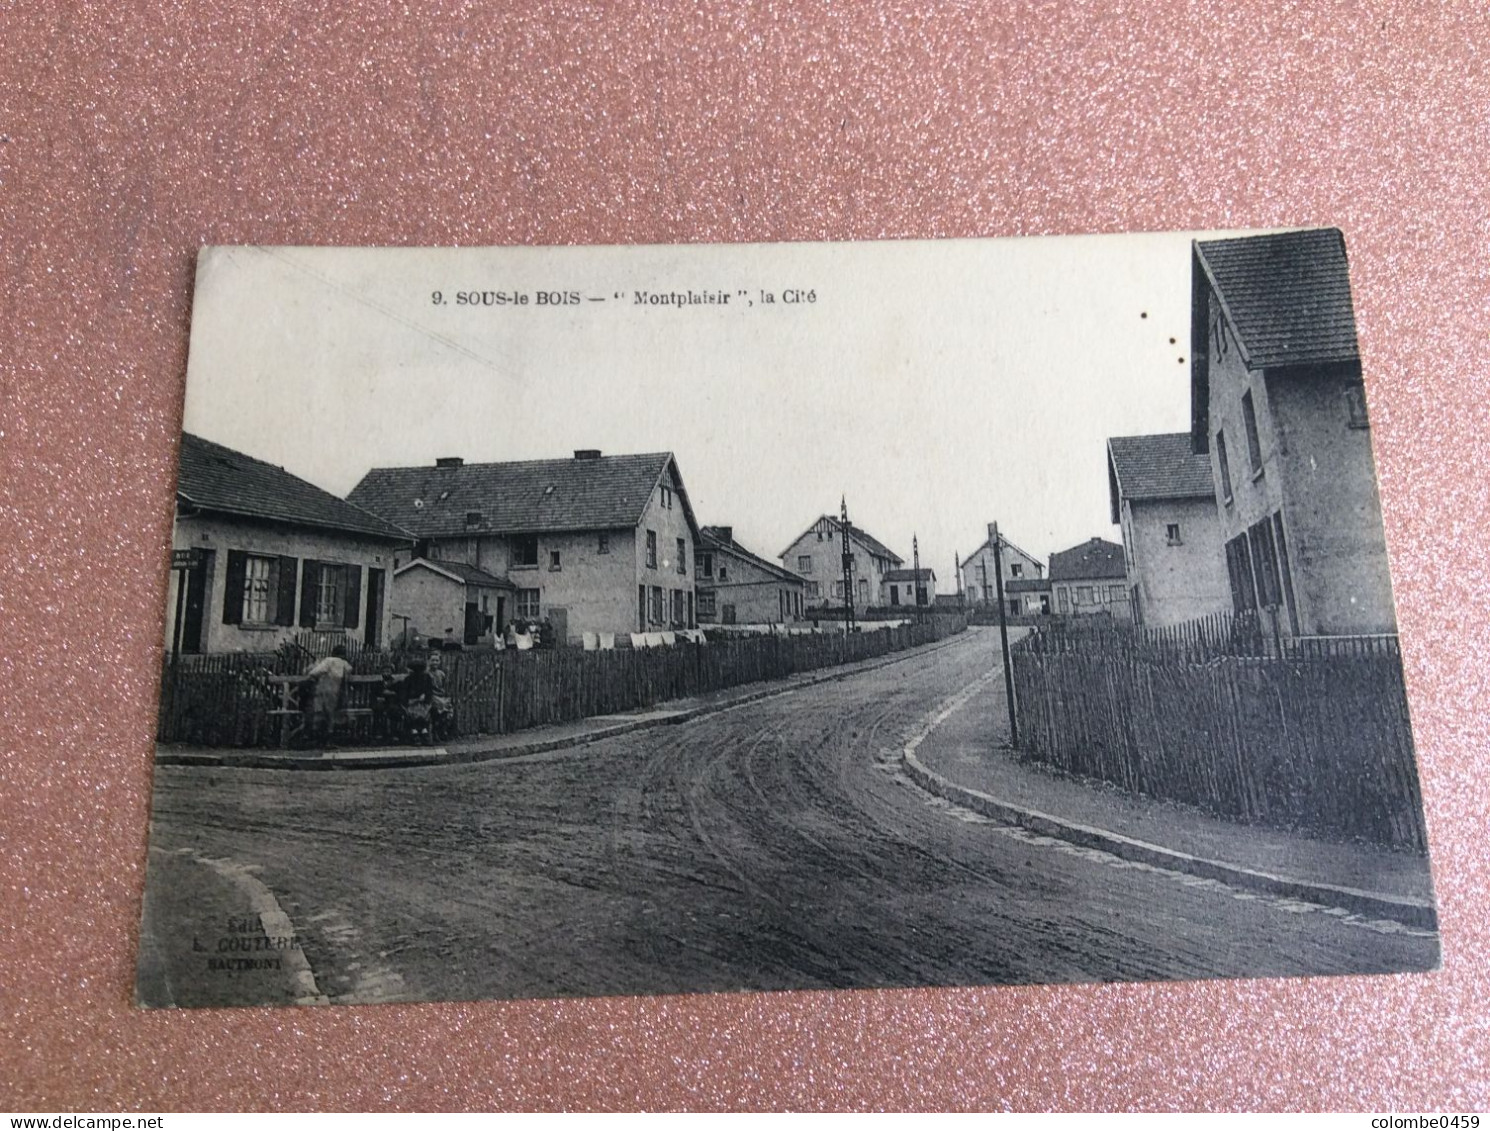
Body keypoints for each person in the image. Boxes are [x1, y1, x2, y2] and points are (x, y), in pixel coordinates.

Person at [303, 644, 353, 746]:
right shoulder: (344, 664)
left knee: (320, 713)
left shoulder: (329, 661)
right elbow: (349, 669)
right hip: (337, 692)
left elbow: (314, 672)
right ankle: (328, 740)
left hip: (324, 691)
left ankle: (315, 739)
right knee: (331, 716)